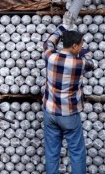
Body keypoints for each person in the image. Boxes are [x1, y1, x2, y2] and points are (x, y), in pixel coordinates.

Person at [42, 23, 94, 174]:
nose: (81, 48)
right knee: (77, 153)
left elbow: (49, 42)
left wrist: (62, 28)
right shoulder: (80, 63)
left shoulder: (50, 56)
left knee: (52, 153)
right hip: (69, 115)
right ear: (74, 46)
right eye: (80, 45)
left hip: (50, 113)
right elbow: (91, 60)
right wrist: (82, 50)